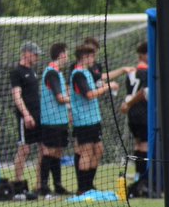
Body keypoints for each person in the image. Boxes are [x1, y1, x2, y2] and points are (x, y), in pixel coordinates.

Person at [71, 44, 120, 194]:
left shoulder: (87, 72)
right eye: (91, 56)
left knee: (98, 150)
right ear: (83, 57)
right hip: (83, 121)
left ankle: (90, 185)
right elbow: (90, 94)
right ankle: (82, 188)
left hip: (93, 119)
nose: (94, 59)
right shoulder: (78, 74)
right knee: (86, 152)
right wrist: (108, 87)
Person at [37, 43, 72, 197]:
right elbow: (59, 98)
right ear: (62, 55)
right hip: (51, 121)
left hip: (60, 120)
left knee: (57, 152)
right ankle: (43, 187)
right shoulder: (51, 73)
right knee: (49, 152)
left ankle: (57, 185)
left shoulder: (57, 72)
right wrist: (75, 100)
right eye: (67, 54)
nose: (68, 57)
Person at [9, 42, 42, 192]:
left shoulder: (33, 71)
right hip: (26, 117)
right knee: (24, 149)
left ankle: (40, 184)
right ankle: (18, 184)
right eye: (34, 54)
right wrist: (26, 115)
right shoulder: (17, 71)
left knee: (43, 148)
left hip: (38, 115)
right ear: (26, 53)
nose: (36, 57)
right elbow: (17, 96)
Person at [119, 41, 149, 196]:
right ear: (143, 55)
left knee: (138, 145)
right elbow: (144, 91)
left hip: (131, 113)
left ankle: (138, 176)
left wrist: (128, 104)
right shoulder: (146, 72)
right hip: (142, 111)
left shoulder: (131, 72)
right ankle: (142, 181)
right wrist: (130, 103)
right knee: (145, 145)